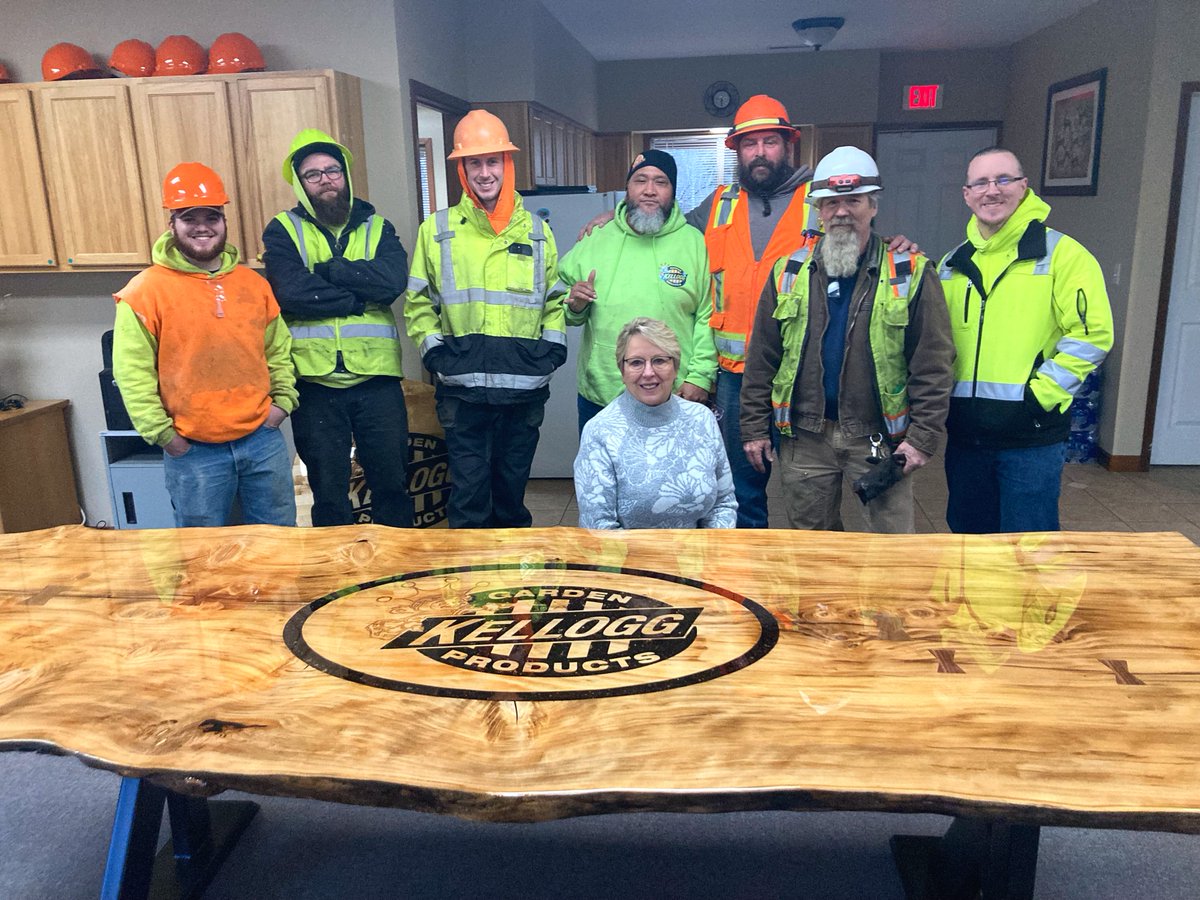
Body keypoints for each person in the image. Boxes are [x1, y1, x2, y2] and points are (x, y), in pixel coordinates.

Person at [740, 147, 954, 533]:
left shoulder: (911, 273)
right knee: (813, 550)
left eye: (853, 201)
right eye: (831, 202)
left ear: (873, 206)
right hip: (804, 438)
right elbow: (761, 359)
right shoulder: (788, 273)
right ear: (818, 210)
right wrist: (755, 429)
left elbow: (933, 364)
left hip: (880, 439)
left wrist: (922, 439)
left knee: (890, 548)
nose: (841, 211)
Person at [405, 109, 567, 529]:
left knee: (511, 500)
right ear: (462, 169)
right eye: (473, 162)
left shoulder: (537, 231)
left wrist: (551, 353)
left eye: (492, 160)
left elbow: (554, 300)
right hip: (463, 393)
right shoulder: (437, 230)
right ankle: (472, 573)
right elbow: (418, 302)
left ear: (506, 163)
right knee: (469, 501)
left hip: (523, 392)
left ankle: (514, 572)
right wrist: (437, 355)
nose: (484, 172)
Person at [113, 162, 298, 528]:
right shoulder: (144, 291)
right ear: (172, 224)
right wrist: (165, 436)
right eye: (189, 218)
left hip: (261, 441)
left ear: (224, 222)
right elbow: (133, 373)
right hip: (192, 451)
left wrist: (281, 405)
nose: (202, 227)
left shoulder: (253, 285)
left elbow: (278, 351)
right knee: (202, 552)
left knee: (279, 543)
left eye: (211, 217)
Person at [939, 147, 1113, 533]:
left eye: (1003, 179)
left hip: (1031, 439)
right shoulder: (950, 265)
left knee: (1029, 549)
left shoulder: (1063, 256)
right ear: (967, 194)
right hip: (966, 437)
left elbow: (1092, 335)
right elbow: (933, 346)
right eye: (980, 182)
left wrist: (1040, 397)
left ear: (1023, 186)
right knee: (969, 545)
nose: (992, 190)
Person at [262, 128, 413, 528]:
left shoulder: (378, 227)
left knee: (392, 487)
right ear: (300, 183)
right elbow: (292, 292)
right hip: (315, 384)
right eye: (313, 174)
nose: (325, 180)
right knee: (328, 494)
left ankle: (397, 563)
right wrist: (358, 299)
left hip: (377, 380)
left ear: (345, 174)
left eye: (332, 170)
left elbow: (391, 282)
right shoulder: (283, 229)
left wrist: (330, 271)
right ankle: (336, 566)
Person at [559, 149, 716, 432]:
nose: (649, 190)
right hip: (602, 395)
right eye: (640, 180)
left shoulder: (695, 244)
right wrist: (575, 305)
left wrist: (700, 377)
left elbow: (709, 315)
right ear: (628, 189)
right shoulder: (595, 238)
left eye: (661, 182)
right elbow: (560, 304)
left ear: (673, 191)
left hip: (674, 394)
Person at [575, 318, 735, 529]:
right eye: (636, 363)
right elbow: (598, 526)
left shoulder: (702, 419)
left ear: (675, 367)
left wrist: (707, 548)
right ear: (622, 371)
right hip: (626, 550)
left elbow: (723, 504)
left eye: (659, 361)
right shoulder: (599, 431)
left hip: (699, 549)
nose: (649, 372)